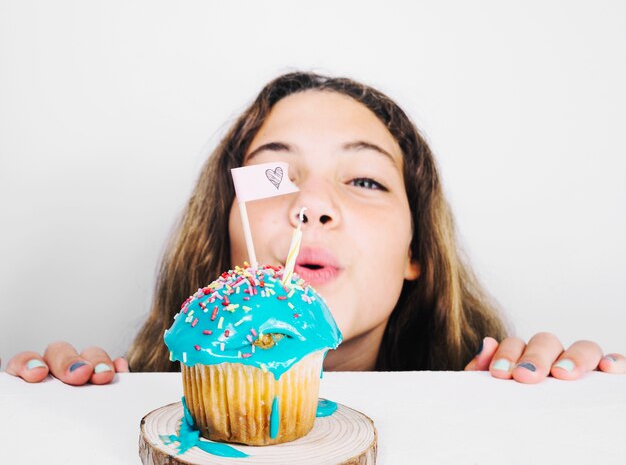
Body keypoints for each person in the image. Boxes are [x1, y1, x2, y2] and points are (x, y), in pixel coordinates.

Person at [5, 71, 624, 385]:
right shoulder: (126, 415)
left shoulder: (494, 407)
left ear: (418, 253)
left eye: (364, 181)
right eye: (275, 177)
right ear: (224, 239)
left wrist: (559, 423)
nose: (311, 207)